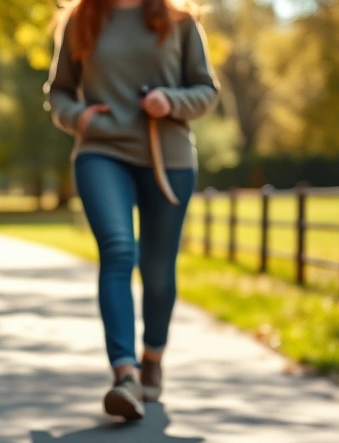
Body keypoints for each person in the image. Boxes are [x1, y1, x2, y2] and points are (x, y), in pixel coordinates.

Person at [44, 0, 219, 420]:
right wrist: (79, 118)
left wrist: (170, 101)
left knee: (158, 269)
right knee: (119, 250)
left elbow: (207, 91)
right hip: (101, 151)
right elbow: (59, 92)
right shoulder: (80, 19)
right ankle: (125, 374)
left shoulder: (179, 21)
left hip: (169, 157)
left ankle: (152, 357)